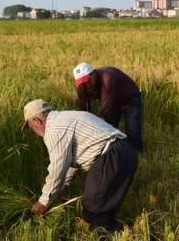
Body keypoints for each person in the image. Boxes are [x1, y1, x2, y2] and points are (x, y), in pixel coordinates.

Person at [22, 99, 138, 232]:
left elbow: (57, 167)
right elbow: (69, 162)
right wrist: (60, 189)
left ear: (37, 121)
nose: (36, 134)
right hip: (125, 151)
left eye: (32, 129)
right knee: (102, 201)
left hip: (111, 156)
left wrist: (44, 201)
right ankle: (113, 231)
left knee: (93, 204)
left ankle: (111, 235)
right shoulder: (67, 118)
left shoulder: (54, 130)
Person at [73, 63, 144, 153]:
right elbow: (85, 109)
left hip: (130, 99)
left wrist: (98, 124)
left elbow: (106, 107)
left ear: (93, 74)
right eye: (81, 82)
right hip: (114, 102)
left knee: (133, 131)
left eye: (86, 81)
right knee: (109, 131)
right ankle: (114, 152)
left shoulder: (106, 78)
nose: (85, 85)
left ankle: (137, 154)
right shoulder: (81, 88)